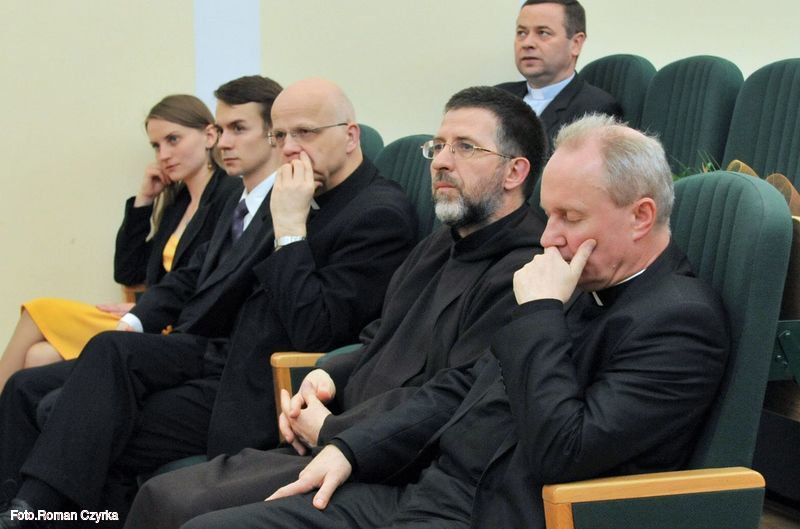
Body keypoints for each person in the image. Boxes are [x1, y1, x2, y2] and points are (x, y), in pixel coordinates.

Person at [182, 114, 730, 529]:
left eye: (570, 217)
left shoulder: (679, 322)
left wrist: (540, 313)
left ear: (641, 217)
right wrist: (351, 448)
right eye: (549, 214)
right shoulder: (580, 282)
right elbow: (462, 386)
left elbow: (563, 452)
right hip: (425, 491)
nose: (548, 237)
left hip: (492, 514)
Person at [124, 85, 548, 529]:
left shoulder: (525, 271)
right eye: (438, 146)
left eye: (465, 147)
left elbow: (454, 398)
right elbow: (379, 336)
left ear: (514, 172)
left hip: (394, 463)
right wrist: (326, 376)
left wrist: (334, 432)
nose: (441, 160)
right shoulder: (440, 245)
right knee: (162, 495)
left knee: (191, 514)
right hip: (343, 430)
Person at [0, 76, 416, 528]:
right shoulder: (300, 192)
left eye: (305, 133)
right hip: (223, 355)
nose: (290, 148)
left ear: (350, 136)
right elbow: (223, 283)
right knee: (104, 353)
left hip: (266, 387)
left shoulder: (377, 213)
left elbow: (315, 332)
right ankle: (33, 511)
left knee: (68, 414)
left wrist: (290, 231)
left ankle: (40, 513)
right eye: (280, 136)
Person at [0, 95, 240, 390]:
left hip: (174, 324)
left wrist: (144, 308)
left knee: (38, 311)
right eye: (156, 146)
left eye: (173, 139)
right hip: (150, 314)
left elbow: (210, 281)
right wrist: (144, 200)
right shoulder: (178, 203)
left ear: (209, 136)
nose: (164, 154)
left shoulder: (230, 195)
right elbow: (128, 271)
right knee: (39, 354)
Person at [496, 0, 621, 145]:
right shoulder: (498, 96)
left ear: (576, 43)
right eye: (521, 33)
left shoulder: (594, 109)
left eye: (543, 33)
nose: (527, 43)